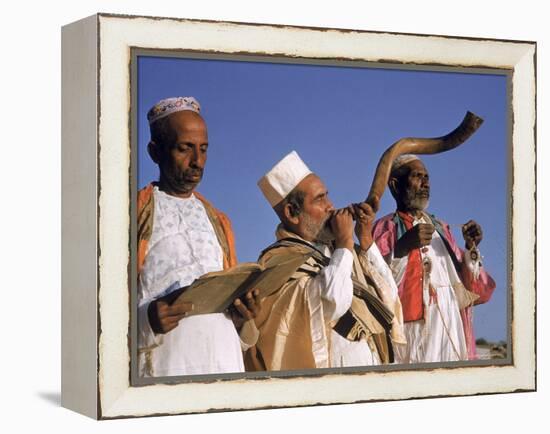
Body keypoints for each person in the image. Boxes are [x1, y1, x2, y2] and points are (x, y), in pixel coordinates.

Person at [247, 151, 405, 371]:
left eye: (327, 196)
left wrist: (365, 238)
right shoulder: (278, 263)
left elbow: (389, 295)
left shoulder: (339, 252)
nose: (331, 206)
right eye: (320, 199)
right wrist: (344, 243)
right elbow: (332, 302)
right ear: (292, 213)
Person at [137, 96, 260, 377]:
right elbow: (99, 306)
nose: (197, 161)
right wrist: (146, 320)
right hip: (168, 365)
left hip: (224, 360)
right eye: (185, 149)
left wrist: (243, 317)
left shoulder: (219, 220)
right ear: (155, 152)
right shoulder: (131, 214)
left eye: (203, 150)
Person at [372, 154, 496, 363]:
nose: (425, 183)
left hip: (451, 323)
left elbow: (471, 289)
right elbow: (375, 285)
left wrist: (470, 247)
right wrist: (402, 248)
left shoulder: (442, 229)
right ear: (395, 185)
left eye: (427, 177)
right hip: (413, 331)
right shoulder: (384, 229)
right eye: (417, 176)